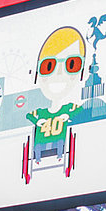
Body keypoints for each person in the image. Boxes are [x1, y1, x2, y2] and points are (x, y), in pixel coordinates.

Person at [25, 26, 86, 179]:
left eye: (71, 64)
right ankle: (37, 159)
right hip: (40, 143)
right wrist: (39, 122)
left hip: (59, 141)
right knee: (37, 146)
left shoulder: (67, 108)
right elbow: (29, 115)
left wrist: (68, 116)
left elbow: (79, 110)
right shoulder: (40, 112)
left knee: (60, 143)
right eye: (49, 66)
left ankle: (60, 156)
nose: (59, 73)